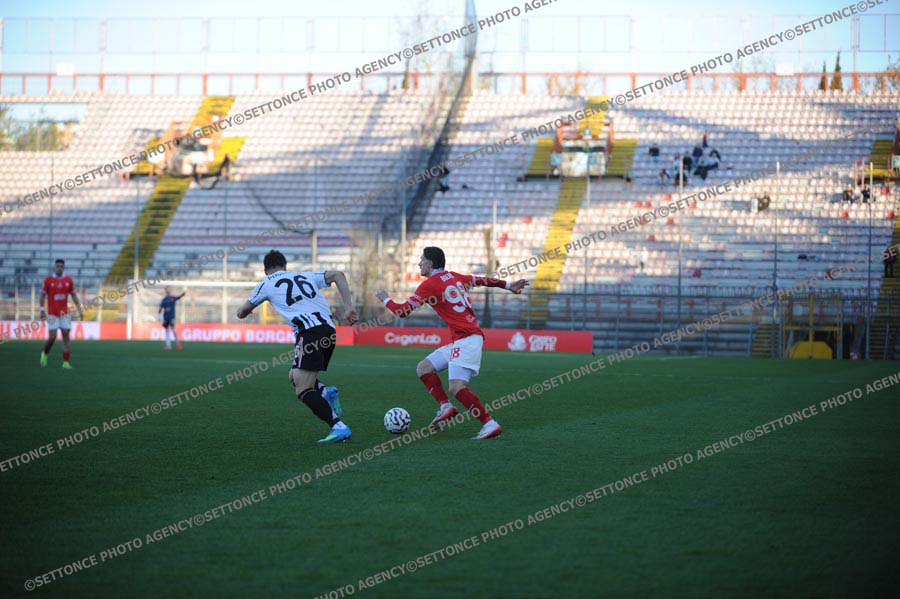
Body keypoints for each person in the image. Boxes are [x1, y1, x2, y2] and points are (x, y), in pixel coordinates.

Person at [375, 247, 528, 440]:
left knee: (457, 387)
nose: (419, 263)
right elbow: (481, 280)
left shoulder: (429, 285)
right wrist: (508, 285)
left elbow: (402, 311)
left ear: (430, 263)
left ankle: (489, 423)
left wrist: (385, 299)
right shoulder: (454, 277)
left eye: (422, 259)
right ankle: (445, 407)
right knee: (424, 368)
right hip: (464, 339)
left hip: (467, 338)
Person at [236, 250, 358, 444]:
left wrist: (245, 312)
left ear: (265, 270)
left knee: (303, 390)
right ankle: (325, 392)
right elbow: (338, 275)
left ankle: (338, 426)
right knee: (294, 376)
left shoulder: (266, 284)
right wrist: (348, 307)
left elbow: (241, 312)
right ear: (285, 267)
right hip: (329, 331)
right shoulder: (305, 276)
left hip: (309, 333)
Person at [39, 259, 83, 369]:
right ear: (54, 267)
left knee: (66, 338)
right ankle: (45, 353)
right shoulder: (48, 280)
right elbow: (42, 295)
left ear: (63, 268)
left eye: (61, 266)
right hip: (52, 314)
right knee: (52, 337)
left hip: (65, 314)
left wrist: (79, 308)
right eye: (57, 266)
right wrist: (41, 310)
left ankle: (66, 363)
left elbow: (73, 295)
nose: (59, 268)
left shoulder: (68, 280)